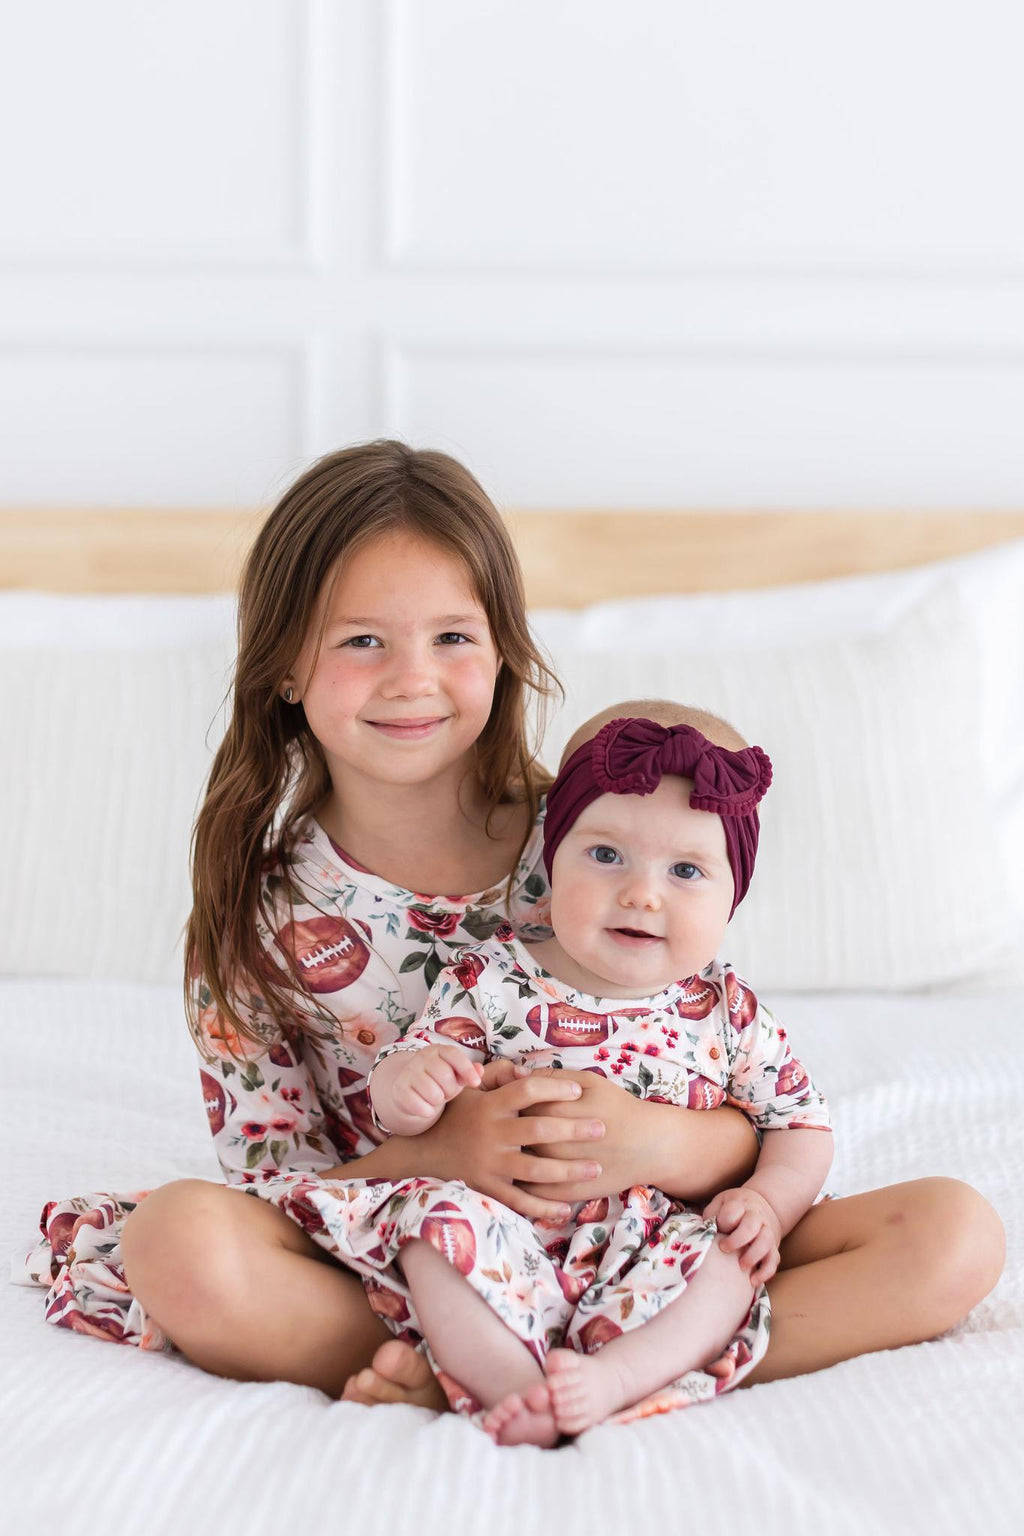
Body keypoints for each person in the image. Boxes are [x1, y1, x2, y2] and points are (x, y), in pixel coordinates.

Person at [21, 441, 1004, 1414]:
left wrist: (654, 1144)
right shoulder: (255, 921)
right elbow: (285, 1193)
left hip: (651, 1250)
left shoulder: (603, 840)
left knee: (954, 1234)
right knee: (177, 1241)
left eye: (452, 637)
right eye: (362, 640)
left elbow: (739, 1089)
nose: (413, 678)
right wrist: (444, 1156)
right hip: (418, 1258)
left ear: (501, 650)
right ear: (282, 666)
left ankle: (582, 1372)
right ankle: (501, 1367)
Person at [289, 703, 833, 1445]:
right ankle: (516, 1387)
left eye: (686, 870)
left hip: (653, 1244)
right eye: (606, 855)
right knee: (429, 1233)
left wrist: (768, 1203)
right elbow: (399, 1090)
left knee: (731, 1266)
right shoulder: (491, 979)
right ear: (552, 861)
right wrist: (412, 1086)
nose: (643, 893)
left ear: (733, 891)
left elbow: (800, 1123)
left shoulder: (729, 1012)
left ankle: (616, 1379)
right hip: (505, 1225)